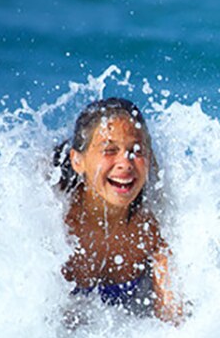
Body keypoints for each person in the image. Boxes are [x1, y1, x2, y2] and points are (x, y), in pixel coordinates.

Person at [54, 97, 182, 324]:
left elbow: (175, 322)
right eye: (110, 150)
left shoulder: (153, 232)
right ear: (77, 160)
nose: (126, 162)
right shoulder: (54, 224)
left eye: (136, 150)